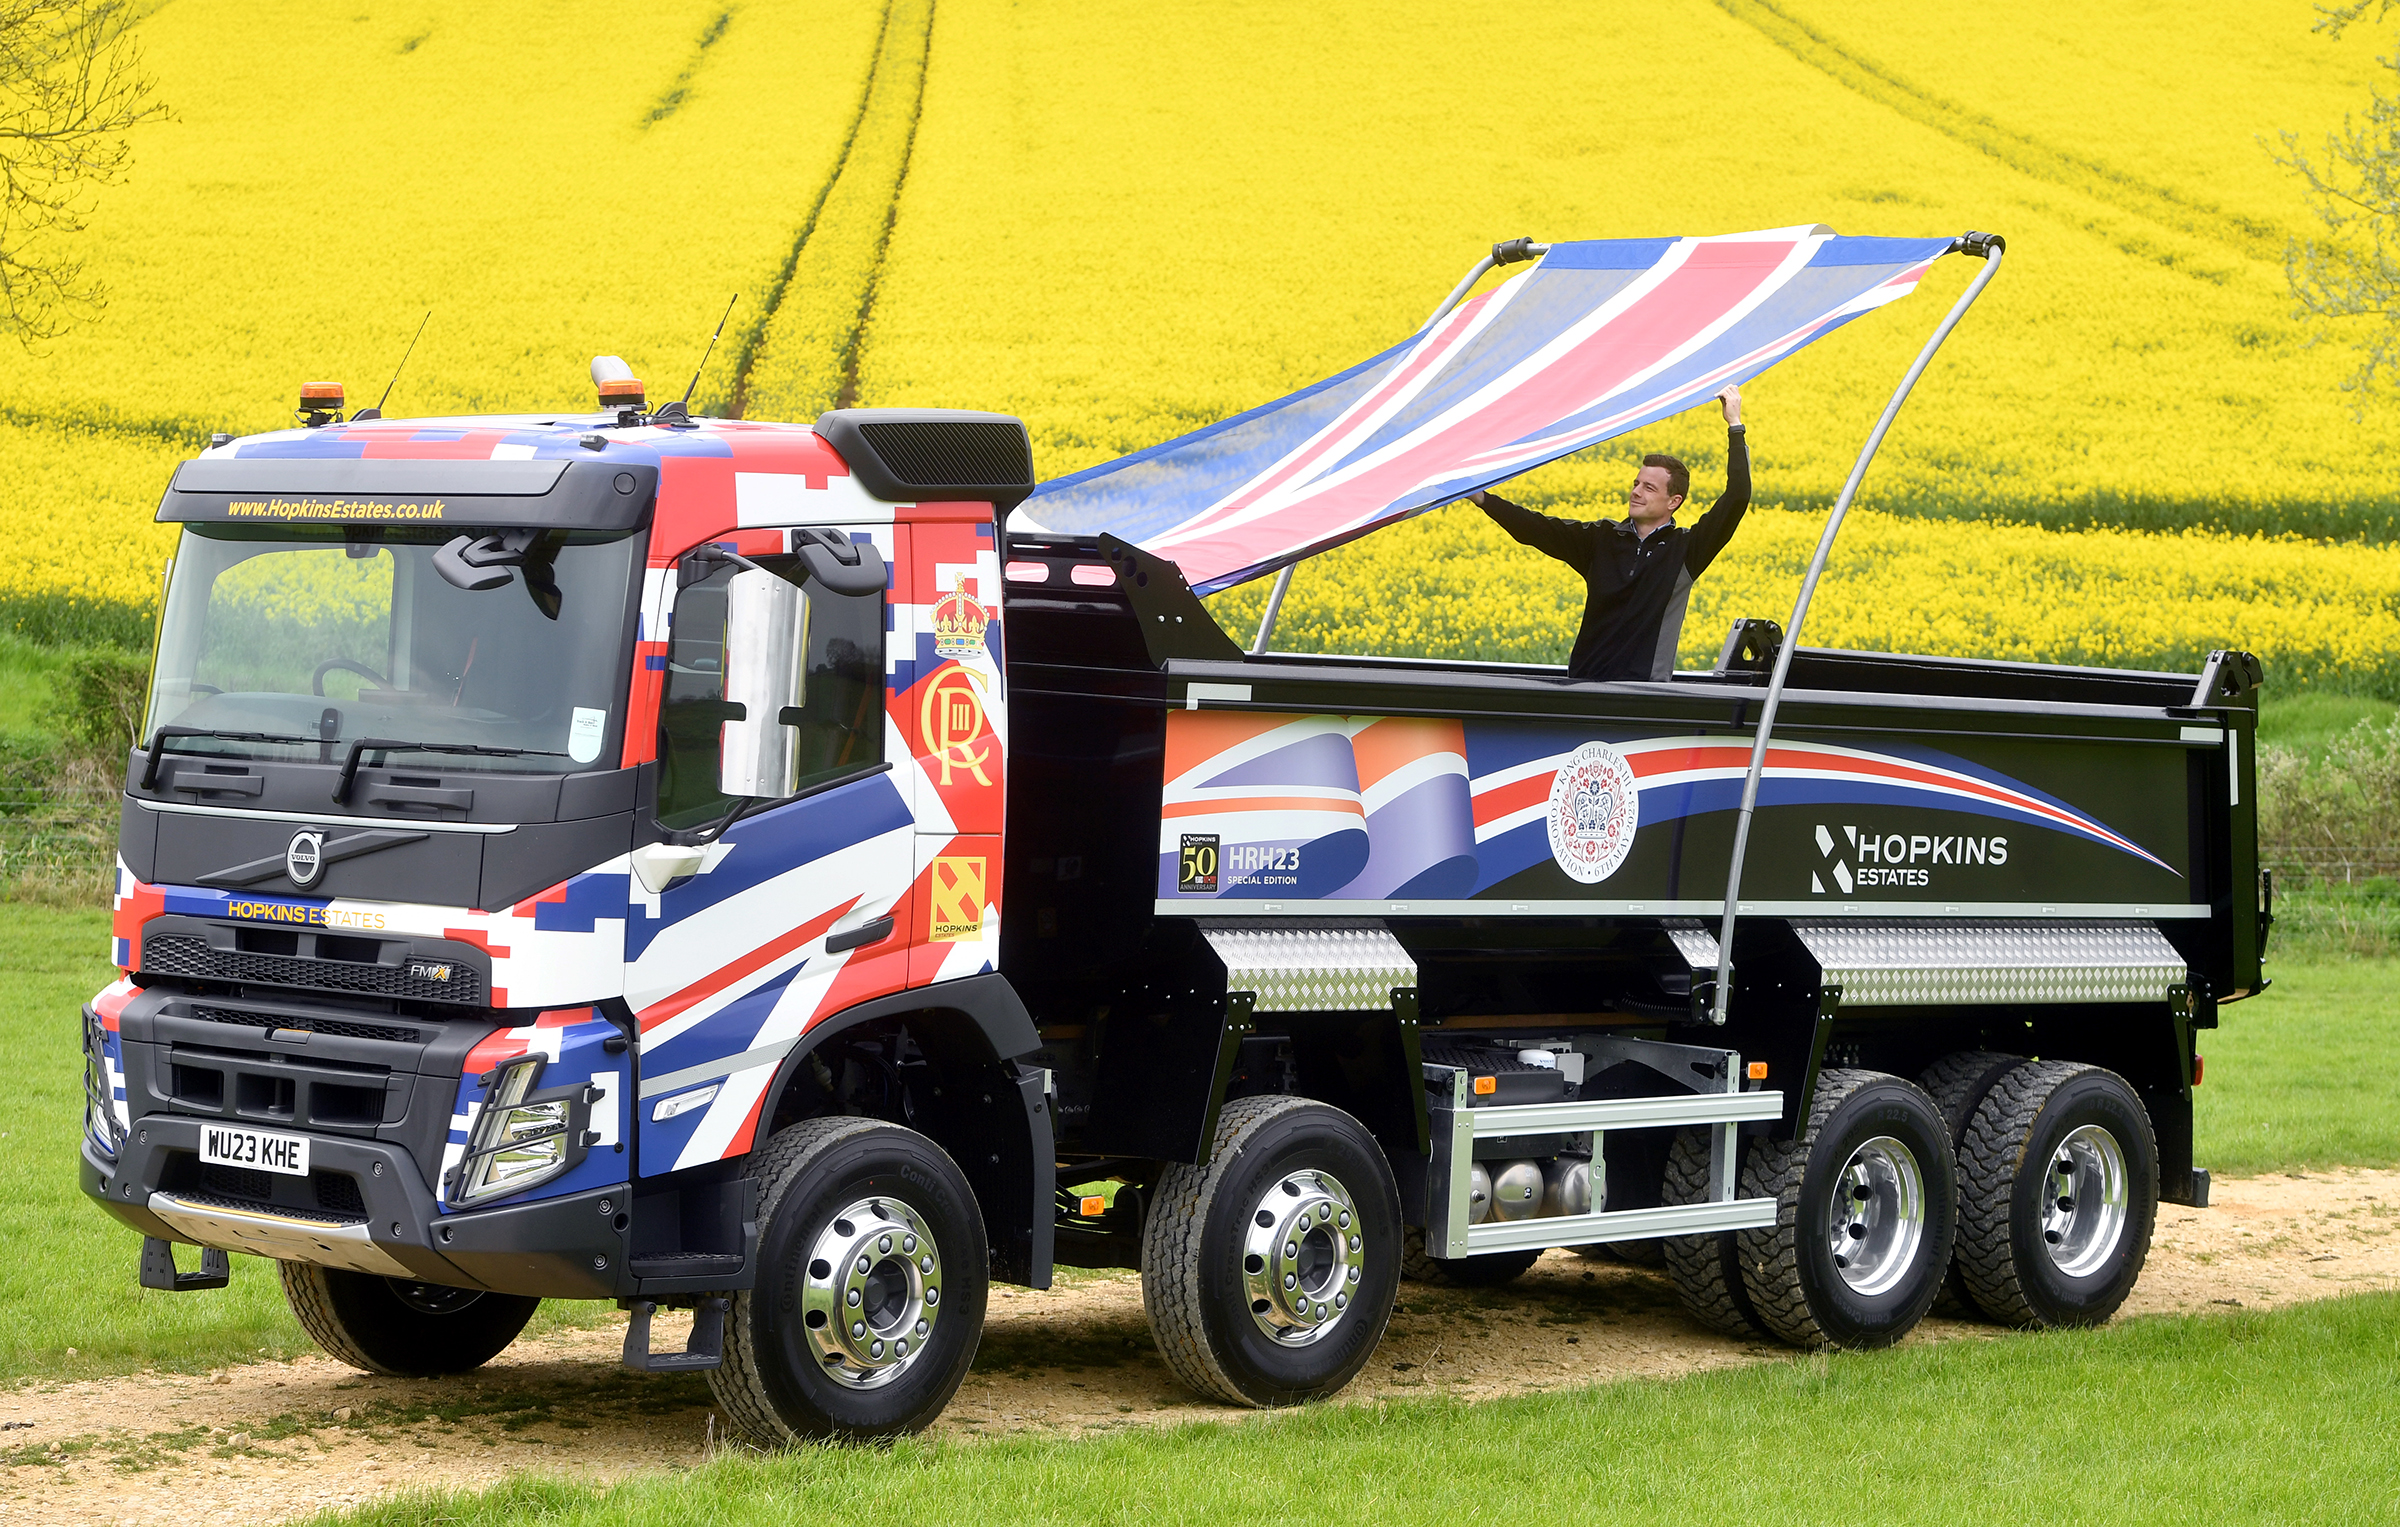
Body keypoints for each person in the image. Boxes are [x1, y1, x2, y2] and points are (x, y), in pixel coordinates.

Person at [1468, 384, 1749, 682]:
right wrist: (1483, 499)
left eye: (1648, 488)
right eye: (1636, 484)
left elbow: (1738, 497)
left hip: (1644, 695)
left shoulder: (1687, 551)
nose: (1636, 492)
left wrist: (1735, 426)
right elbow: (1536, 528)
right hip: (1582, 688)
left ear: (1673, 502)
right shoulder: (1600, 539)